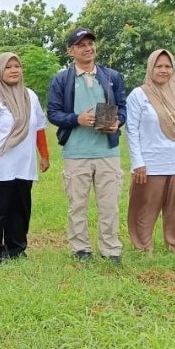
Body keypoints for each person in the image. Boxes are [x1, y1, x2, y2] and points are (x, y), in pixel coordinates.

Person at [47, 28, 127, 264]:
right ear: (70, 51)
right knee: (77, 205)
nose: (88, 48)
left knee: (110, 205)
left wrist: (118, 121)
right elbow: (53, 113)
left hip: (107, 151)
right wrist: (76, 119)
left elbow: (123, 107)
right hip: (76, 152)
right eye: (81, 45)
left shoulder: (111, 76)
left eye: (90, 43)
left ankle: (111, 249)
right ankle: (80, 248)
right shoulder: (62, 79)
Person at [0, 53, 50, 263]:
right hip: (0, 165)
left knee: (20, 210)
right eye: (8, 67)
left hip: (24, 165)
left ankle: (17, 249)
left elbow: (39, 127)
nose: (14, 70)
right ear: (0, 71)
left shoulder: (30, 96)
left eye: (17, 66)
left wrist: (44, 154)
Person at [126, 49, 175, 255]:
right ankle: (143, 248)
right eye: (158, 66)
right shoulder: (139, 95)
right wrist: (138, 163)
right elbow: (131, 130)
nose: (163, 70)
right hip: (150, 163)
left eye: (168, 66)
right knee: (145, 207)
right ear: (150, 68)